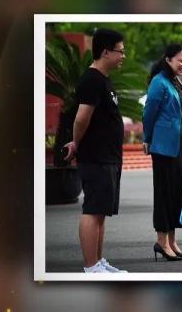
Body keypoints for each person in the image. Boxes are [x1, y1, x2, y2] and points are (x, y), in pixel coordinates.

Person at [63, 28, 127, 273]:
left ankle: (99, 262)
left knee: (101, 211)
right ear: (105, 51)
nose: (123, 56)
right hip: (96, 156)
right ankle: (90, 266)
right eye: (120, 51)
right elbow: (81, 119)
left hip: (107, 156)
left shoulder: (103, 79)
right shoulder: (91, 80)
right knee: (92, 210)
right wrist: (77, 143)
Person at [142, 44, 182, 262]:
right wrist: (147, 139)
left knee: (180, 190)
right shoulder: (159, 82)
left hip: (178, 145)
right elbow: (148, 114)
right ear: (168, 59)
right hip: (163, 147)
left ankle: (172, 240)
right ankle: (162, 241)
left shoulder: (176, 81)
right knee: (164, 194)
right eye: (180, 60)